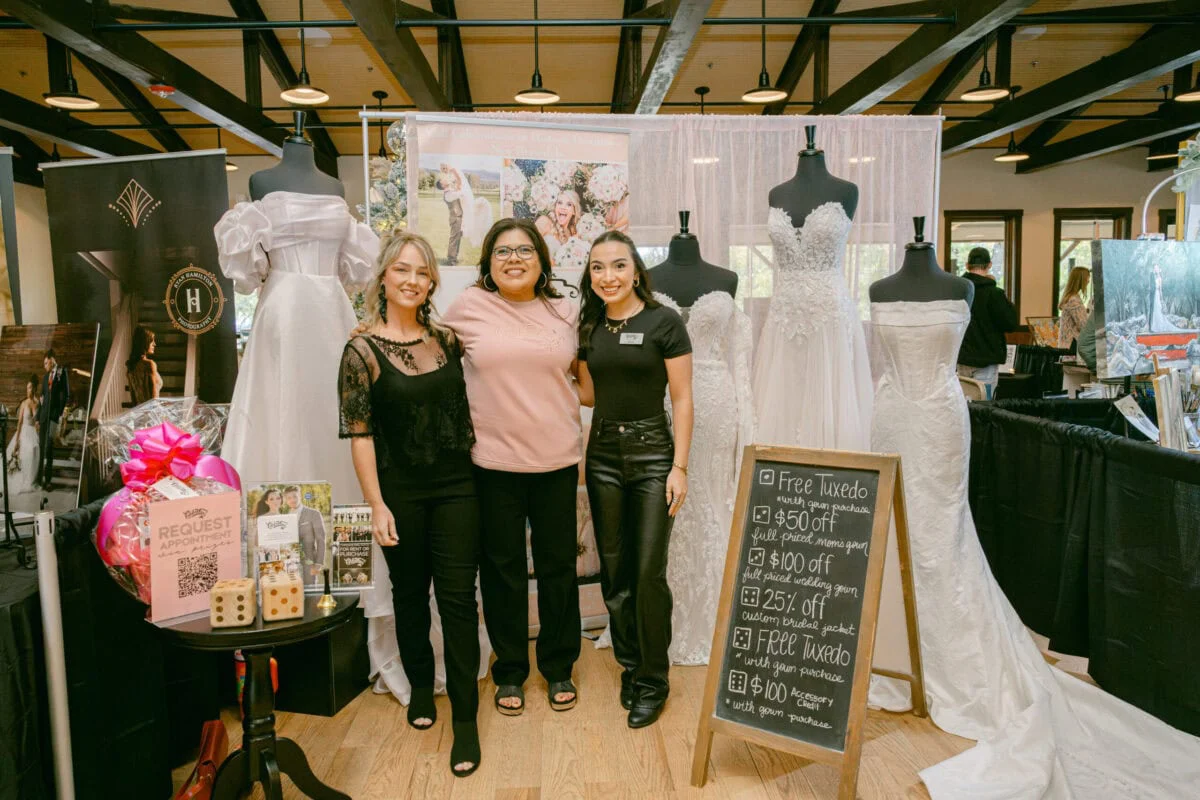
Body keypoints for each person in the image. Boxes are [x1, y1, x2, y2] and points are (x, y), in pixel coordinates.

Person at [339, 231, 481, 777]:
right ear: (383, 276)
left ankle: (465, 717)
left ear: (432, 282)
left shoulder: (447, 340)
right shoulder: (360, 351)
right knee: (410, 594)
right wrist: (376, 504)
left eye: (423, 272)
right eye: (402, 269)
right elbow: (360, 436)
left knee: (458, 600)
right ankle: (421, 685)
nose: (413, 280)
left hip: (458, 486)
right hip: (399, 492)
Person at [442, 217, 584, 717]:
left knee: (558, 568)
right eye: (502, 251)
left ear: (543, 261)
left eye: (525, 250)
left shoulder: (566, 311)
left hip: (557, 461)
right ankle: (509, 669)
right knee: (501, 571)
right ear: (488, 264)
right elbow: (421, 343)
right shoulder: (468, 307)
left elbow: (587, 376)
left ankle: (559, 664)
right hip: (493, 463)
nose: (514, 259)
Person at [575, 230, 694, 729]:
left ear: (636, 270)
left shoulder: (664, 322)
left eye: (618, 265)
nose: (608, 276)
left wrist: (679, 467)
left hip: (653, 457)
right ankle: (631, 666)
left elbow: (682, 399)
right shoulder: (589, 326)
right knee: (616, 573)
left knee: (647, 574)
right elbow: (588, 395)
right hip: (602, 455)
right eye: (598, 267)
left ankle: (653, 680)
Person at [956, 247, 1018, 400]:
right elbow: (1010, 324)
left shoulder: (958, 291)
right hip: (987, 358)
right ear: (989, 265)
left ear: (967, 265)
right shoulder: (994, 293)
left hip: (962, 357)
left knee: (964, 404)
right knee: (985, 405)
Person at [35, 349, 69, 490]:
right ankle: (39, 480)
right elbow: (41, 399)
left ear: (51, 360)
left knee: (49, 447)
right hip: (43, 417)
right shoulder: (45, 378)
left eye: (46, 363)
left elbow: (66, 394)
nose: (44, 366)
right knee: (41, 448)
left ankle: (48, 481)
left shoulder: (62, 372)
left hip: (53, 418)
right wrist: (37, 418)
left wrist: (59, 413)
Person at [284, 485, 329, 586]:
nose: (292, 500)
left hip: (309, 562)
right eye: (289, 498)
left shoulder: (314, 514)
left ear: (300, 496)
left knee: (310, 591)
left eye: (295, 496)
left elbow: (321, 539)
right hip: (289, 564)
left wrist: (318, 563)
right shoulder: (285, 517)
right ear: (286, 500)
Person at [5, 375, 40, 495]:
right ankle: (21, 478)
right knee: (26, 450)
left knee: (34, 449)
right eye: (27, 388)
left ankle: (31, 479)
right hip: (24, 432)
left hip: (33, 432)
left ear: (34, 389)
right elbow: (19, 423)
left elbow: (38, 421)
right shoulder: (24, 403)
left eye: (30, 388)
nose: (28, 390)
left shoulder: (38, 403)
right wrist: (17, 441)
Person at [535, 190, 581, 254]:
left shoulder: (572, 232)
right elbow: (528, 245)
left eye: (569, 204)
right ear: (555, 207)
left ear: (574, 211)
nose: (563, 207)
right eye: (560, 203)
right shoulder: (544, 221)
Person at [126, 326, 163, 406]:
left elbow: (134, 400)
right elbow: (154, 399)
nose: (154, 344)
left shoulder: (131, 366)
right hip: (152, 411)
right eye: (151, 341)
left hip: (140, 411)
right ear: (144, 342)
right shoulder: (149, 364)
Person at [1057, 266, 1091, 350]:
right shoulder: (1073, 300)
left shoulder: (1071, 297)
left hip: (1067, 344)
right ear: (1081, 280)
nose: (1088, 281)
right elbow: (1083, 325)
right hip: (1071, 344)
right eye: (1087, 278)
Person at [439, 164, 464, 265]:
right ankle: (451, 259)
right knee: (454, 238)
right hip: (455, 218)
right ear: (442, 186)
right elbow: (460, 193)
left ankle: (454, 257)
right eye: (442, 181)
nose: (444, 180)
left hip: (458, 217)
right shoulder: (448, 194)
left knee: (458, 238)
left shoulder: (450, 191)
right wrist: (458, 180)